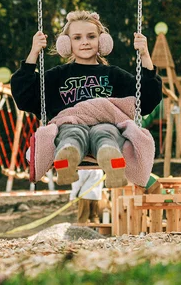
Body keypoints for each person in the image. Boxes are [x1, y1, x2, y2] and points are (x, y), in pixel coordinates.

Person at [11, 10, 162, 187]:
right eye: (77, 38)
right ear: (66, 44)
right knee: (71, 133)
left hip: (106, 124)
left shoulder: (114, 75)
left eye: (91, 36)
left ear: (102, 41)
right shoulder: (56, 77)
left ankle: (111, 158)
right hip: (70, 123)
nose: (85, 42)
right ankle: (67, 157)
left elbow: (147, 98)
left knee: (106, 132)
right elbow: (24, 95)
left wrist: (145, 55)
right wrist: (33, 54)